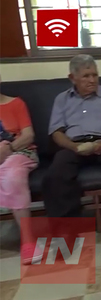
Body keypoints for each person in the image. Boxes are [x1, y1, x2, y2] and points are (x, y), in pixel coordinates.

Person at [43, 54, 101, 237]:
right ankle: (67, 229)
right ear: (72, 78)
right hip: (74, 144)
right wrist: (73, 147)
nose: (92, 80)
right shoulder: (62, 99)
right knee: (56, 172)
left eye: (94, 75)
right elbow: (56, 132)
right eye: (86, 76)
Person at [0, 77, 43, 265]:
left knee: (13, 175)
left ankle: (28, 240)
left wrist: (8, 149)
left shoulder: (16, 103)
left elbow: (28, 135)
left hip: (19, 152)